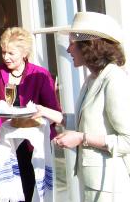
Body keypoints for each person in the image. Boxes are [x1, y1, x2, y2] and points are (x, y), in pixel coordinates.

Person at [34, 12, 130, 201]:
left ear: (89, 47)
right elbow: (86, 122)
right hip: (92, 183)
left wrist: (81, 138)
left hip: (109, 186)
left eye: (72, 43)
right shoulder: (92, 79)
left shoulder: (114, 79)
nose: (68, 49)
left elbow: (127, 140)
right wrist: (46, 112)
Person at [0, 27, 61, 202]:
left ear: (24, 53)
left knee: (35, 179)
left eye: (11, 53)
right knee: (13, 179)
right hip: (11, 136)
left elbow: (53, 108)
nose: (6, 57)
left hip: (34, 137)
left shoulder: (40, 74)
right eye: (3, 52)